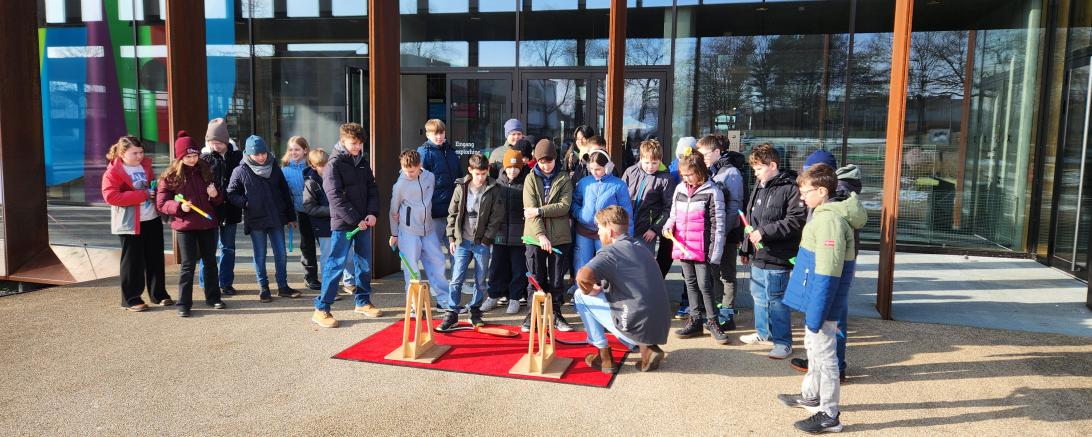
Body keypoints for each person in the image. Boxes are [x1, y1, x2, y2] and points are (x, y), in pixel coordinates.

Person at [777, 163, 866, 434]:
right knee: (813, 349)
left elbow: (828, 272)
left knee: (826, 356)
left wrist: (817, 312)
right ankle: (811, 395)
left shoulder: (829, 219)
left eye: (805, 192)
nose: (801, 197)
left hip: (823, 301)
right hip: (816, 297)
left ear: (822, 191)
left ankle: (829, 414)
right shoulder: (823, 212)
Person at [790, 150, 862, 381]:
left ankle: (834, 371)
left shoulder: (834, 203)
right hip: (823, 261)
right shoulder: (827, 199)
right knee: (826, 323)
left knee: (832, 318)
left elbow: (829, 264)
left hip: (830, 265)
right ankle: (819, 365)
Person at [574, 206, 670, 374]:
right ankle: (646, 347)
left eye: (599, 228)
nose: (598, 233)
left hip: (635, 322)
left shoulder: (609, 252)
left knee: (579, 294)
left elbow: (582, 277)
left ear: (610, 231)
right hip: (660, 325)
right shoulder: (640, 247)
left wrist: (590, 291)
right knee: (621, 297)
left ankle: (604, 356)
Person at [739, 143, 807, 359]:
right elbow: (749, 220)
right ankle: (763, 332)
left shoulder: (790, 188)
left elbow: (796, 220)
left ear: (773, 165)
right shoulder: (760, 185)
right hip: (759, 254)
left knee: (776, 300)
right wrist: (745, 249)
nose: (756, 173)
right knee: (758, 296)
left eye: (759, 168)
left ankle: (783, 341)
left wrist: (765, 232)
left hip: (778, 255)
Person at [312, 123, 381, 328]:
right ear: (343, 141)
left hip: (363, 222)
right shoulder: (333, 164)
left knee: (364, 264)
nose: (357, 147)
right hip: (344, 224)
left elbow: (372, 188)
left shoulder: (361, 161)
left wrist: (371, 213)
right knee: (336, 264)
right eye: (353, 143)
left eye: (360, 143)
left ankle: (362, 302)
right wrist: (354, 219)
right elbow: (334, 197)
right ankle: (321, 308)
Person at [156, 131, 226, 317]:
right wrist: (179, 207)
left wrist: (215, 195)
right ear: (180, 157)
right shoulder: (170, 176)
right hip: (185, 227)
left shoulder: (205, 169)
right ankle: (184, 303)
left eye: (195, 155)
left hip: (207, 225)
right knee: (188, 266)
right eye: (188, 156)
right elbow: (162, 204)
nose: (193, 159)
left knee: (210, 262)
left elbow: (217, 200)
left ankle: (213, 298)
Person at [663, 149, 729, 344]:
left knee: (704, 285)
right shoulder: (680, 189)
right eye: (684, 175)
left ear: (700, 171)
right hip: (684, 245)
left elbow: (719, 224)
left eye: (690, 174)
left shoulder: (713, 191)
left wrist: (715, 253)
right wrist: (667, 227)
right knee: (690, 284)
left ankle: (713, 321)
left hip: (702, 248)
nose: (687, 178)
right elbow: (673, 215)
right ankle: (694, 320)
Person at [101, 135, 172, 312]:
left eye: (141, 152)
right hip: (129, 223)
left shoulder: (145, 165)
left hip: (151, 218)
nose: (139, 156)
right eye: (135, 153)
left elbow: (152, 187)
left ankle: (159, 294)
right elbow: (111, 196)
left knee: (155, 258)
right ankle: (131, 299)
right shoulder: (113, 171)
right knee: (132, 262)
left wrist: (156, 192)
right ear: (122, 153)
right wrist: (144, 195)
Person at [226, 135, 300, 303]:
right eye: (256, 154)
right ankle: (264, 288)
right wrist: (245, 203)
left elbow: (284, 193)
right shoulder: (240, 170)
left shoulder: (274, 167)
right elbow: (231, 193)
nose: (260, 157)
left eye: (263, 153)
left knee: (281, 253)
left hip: (276, 218)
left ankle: (283, 286)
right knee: (260, 254)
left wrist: (290, 216)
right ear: (248, 153)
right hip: (256, 219)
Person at [440, 153, 504, 330]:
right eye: (477, 174)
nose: (481, 177)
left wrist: (486, 239)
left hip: (481, 243)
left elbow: (496, 217)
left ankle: (475, 311)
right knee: (456, 278)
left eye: (484, 174)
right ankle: (451, 312)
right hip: (462, 241)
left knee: (481, 280)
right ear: (470, 170)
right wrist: (452, 237)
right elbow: (452, 213)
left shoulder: (494, 188)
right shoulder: (461, 187)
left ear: (488, 171)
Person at [522, 139, 575, 332]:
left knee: (556, 279)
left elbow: (564, 206)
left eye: (549, 161)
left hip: (560, 237)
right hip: (534, 237)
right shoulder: (530, 179)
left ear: (555, 159)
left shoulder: (564, 179)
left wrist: (540, 211)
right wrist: (541, 235)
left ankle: (556, 314)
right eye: (542, 161)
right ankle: (532, 314)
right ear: (536, 160)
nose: (546, 165)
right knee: (535, 277)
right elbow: (529, 210)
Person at [389, 149, 452, 310]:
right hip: (408, 232)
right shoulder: (400, 185)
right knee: (412, 269)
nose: (408, 174)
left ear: (420, 166)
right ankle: (414, 306)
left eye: (412, 171)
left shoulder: (429, 176)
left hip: (428, 229)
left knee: (437, 263)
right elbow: (393, 211)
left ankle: (443, 300)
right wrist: (394, 233)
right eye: (405, 170)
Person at [696, 134, 746, 330]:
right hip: (714, 233)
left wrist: (723, 233)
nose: (703, 159)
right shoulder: (712, 171)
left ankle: (727, 315)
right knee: (714, 272)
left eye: (705, 155)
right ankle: (716, 312)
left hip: (726, 233)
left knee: (726, 274)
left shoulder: (731, 172)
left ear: (717, 151)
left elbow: (734, 206)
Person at [482, 149, 530, 315]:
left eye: (516, 167)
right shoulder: (497, 183)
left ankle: (515, 298)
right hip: (500, 233)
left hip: (520, 234)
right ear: (504, 167)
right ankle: (493, 296)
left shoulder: (527, 182)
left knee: (518, 268)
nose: (513, 170)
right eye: (510, 167)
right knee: (496, 267)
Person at [199, 118, 243, 295]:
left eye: (218, 143)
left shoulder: (238, 157)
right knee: (208, 249)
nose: (215, 146)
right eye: (211, 143)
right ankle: (206, 283)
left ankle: (226, 282)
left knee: (228, 247)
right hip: (210, 210)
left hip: (231, 209)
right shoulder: (204, 158)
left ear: (225, 141)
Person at [572, 149, 632, 278]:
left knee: (607, 264)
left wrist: (627, 238)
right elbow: (575, 202)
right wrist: (580, 214)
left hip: (607, 233)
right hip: (584, 231)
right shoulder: (584, 183)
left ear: (608, 167)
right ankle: (580, 294)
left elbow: (627, 214)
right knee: (581, 264)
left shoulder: (619, 185)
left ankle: (607, 293)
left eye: (598, 169)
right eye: (591, 169)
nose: (594, 172)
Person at [621, 139, 675, 256]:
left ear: (660, 161)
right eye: (646, 162)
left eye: (654, 163)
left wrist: (654, 229)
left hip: (646, 231)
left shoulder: (666, 179)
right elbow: (620, 197)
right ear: (640, 158)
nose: (650, 167)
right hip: (626, 227)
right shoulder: (630, 172)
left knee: (644, 264)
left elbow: (668, 208)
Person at [281, 136, 321, 290]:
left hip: (318, 211)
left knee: (325, 245)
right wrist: (290, 217)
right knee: (307, 245)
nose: (293, 152)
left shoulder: (313, 167)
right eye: (290, 149)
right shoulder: (285, 171)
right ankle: (310, 277)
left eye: (297, 149)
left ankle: (331, 277)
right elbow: (286, 196)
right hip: (302, 212)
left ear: (305, 150)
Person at [417, 119, 462, 252]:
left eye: (441, 133)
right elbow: (419, 182)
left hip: (452, 210)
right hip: (434, 212)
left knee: (456, 250)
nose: (439, 136)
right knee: (433, 251)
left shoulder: (451, 151)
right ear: (427, 135)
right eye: (435, 133)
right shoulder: (424, 153)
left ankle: (455, 274)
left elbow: (459, 176)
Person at [301, 148, 338, 300]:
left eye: (327, 164)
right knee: (328, 257)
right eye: (321, 165)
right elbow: (309, 207)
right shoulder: (311, 182)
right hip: (323, 226)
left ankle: (346, 283)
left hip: (339, 223)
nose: (325, 167)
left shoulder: (336, 176)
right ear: (314, 166)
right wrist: (333, 210)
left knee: (345, 256)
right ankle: (328, 289)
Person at [666, 136, 696, 318]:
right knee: (664, 259)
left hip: (692, 228)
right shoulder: (672, 168)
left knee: (689, 267)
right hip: (674, 223)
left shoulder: (699, 172)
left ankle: (688, 303)